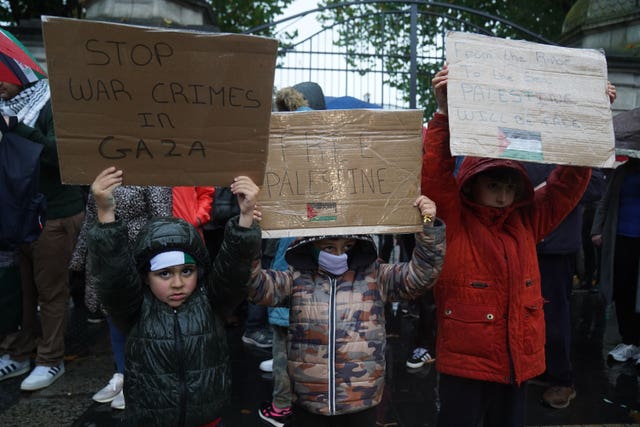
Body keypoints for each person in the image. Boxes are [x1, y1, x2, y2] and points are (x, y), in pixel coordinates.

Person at [422, 65, 594, 426]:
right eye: (493, 185)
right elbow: (434, 173)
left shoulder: (526, 220)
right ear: (471, 184)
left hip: (517, 360)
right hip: (466, 366)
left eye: (508, 186)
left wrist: (592, 119)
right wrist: (443, 114)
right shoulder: (454, 220)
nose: (502, 196)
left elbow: (565, 185)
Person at [247, 196, 445, 426]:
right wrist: (246, 231)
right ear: (311, 247)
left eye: (347, 246)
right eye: (329, 247)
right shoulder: (296, 278)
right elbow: (253, 285)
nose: (339, 254)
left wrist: (428, 226)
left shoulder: (376, 274)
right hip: (309, 402)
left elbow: (421, 275)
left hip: (361, 400)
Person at [86, 167, 261, 426]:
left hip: (207, 420)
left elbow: (233, 268)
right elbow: (113, 274)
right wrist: (105, 212)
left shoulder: (211, 302)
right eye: (164, 274)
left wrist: (245, 217)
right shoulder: (135, 309)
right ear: (145, 276)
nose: (178, 283)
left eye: (187, 271)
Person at [0, 77, 85, 390]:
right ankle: (17, 352)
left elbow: (59, 156)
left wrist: (16, 127)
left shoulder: (52, 103)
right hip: (15, 216)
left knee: (51, 292)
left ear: (21, 72)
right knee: (19, 290)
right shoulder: (5, 108)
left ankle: (51, 359)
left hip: (54, 215)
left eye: (3, 76)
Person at [69, 185, 172, 409]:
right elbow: (89, 219)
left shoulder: (149, 173)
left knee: (137, 321)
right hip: (106, 256)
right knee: (113, 315)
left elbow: (162, 219)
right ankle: (122, 374)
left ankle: (141, 380)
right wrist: (79, 256)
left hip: (137, 257)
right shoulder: (102, 176)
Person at [525, 164, 609, 409]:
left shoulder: (571, 146)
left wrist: (554, 184)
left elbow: (595, 186)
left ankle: (561, 378)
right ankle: (539, 367)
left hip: (556, 247)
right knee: (526, 313)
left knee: (554, 315)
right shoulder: (519, 142)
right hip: (521, 242)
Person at [592, 156, 640, 364]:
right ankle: (629, 341)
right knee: (622, 289)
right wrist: (597, 229)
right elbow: (605, 201)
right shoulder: (622, 172)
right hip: (619, 238)